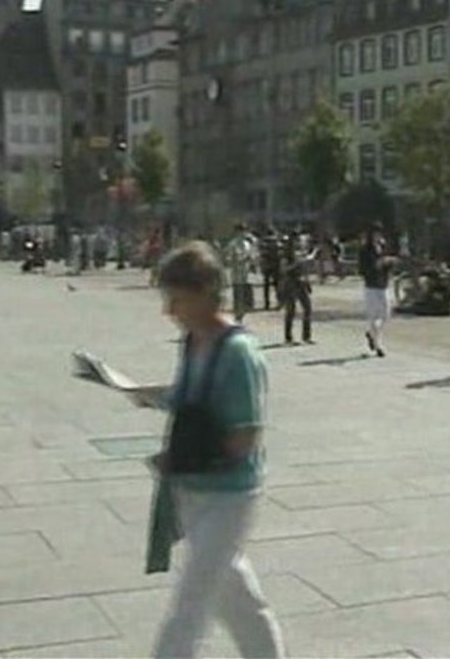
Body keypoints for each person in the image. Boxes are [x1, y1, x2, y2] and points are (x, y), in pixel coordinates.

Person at [130, 241, 285, 659]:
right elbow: (192, 397)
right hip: (193, 489)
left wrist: (184, 455)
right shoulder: (193, 341)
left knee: (191, 604)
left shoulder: (238, 352)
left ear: (201, 294)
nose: (169, 311)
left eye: (174, 300)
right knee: (237, 599)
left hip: (229, 493)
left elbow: (244, 436)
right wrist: (150, 395)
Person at [359, 222, 396, 357]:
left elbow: (388, 263)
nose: (378, 236)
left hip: (383, 284)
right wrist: (376, 266)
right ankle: (378, 345)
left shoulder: (383, 247)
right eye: (375, 234)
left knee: (386, 314)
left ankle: (371, 334)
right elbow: (362, 269)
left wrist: (389, 263)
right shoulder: (365, 250)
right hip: (371, 286)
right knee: (373, 316)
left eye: (379, 234)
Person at [280, 234, 313, 345]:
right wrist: (296, 263)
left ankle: (306, 336)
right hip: (290, 283)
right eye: (298, 241)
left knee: (307, 308)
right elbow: (283, 269)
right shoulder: (287, 255)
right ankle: (288, 338)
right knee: (291, 311)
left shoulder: (302, 254)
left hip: (301, 282)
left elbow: (305, 270)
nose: (301, 243)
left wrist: (308, 283)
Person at [224, 223, 257, 323]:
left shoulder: (247, 244)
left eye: (244, 231)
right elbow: (228, 258)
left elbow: (252, 256)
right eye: (240, 231)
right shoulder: (232, 244)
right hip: (237, 273)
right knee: (238, 294)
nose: (242, 233)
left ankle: (242, 313)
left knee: (245, 295)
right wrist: (237, 260)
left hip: (246, 274)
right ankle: (237, 315)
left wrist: (252, 262)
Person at [259, 228, 282, 311]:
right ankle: (279, 303)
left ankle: (267, 304)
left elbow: (262, 255)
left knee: (267, 287)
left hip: (267, 266)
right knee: (277, 286)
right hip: (276, 266)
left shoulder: (263, 243)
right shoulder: (278, 243)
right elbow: (281, 254)